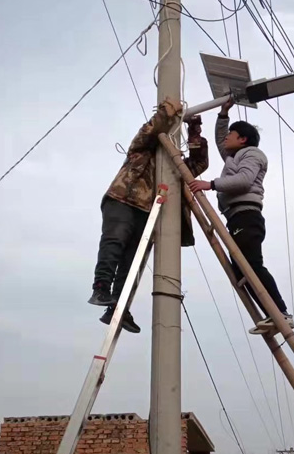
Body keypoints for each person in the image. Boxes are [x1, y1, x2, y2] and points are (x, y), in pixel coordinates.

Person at [89, 98, 208, 333]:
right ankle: (101, 287)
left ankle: (118, 308)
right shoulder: (142, 149)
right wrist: (168, 110)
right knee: (114, 243)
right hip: (124, 200)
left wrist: (194, 130)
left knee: (132, 263)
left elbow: (199, 162)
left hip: (149, 212)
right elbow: (151, 129)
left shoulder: (173, 167)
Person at [189, 98, 294, 334]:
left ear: (243, 139)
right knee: (241, 270)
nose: (226, 138)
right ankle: (272, 315)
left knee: (252, 265)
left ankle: (281, 313)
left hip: (247, 216)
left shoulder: (253, 155)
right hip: (236, 218)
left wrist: (211, 184)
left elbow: (245, 180)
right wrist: (223, 113)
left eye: (231, 134)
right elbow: (220, 138)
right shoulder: (233, 157)